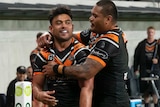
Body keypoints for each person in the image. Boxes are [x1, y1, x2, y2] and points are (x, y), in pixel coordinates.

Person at [40, 0, 130, 107]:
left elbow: (86, 72)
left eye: (95, 16)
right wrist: (51, 33)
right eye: (91, 14)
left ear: (108, 19)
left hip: (113, 102)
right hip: (100, 100)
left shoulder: (111, 40)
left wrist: (57, 69)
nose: (90, 18)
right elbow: (70, 35)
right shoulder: (96, 33)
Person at [30, 6, 94, 107]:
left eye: (67, 22)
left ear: (72, 27)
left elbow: (86, 88)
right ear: (51, 29)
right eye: (59, 23)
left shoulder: (81, 52)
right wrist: (38, 94)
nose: (64, 26)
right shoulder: (43, 55)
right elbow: (36, 85)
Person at [133, 26, 160, 107]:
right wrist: (135, 69)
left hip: (155, 70)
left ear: (154, 33)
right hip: (144, 70)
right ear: (147, 33)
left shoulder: (158, 45)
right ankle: (146, 105)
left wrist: (158, 61)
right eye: (149, 32)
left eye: (152, 32)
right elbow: (136, 57)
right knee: (146, 91)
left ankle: (156, 105)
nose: (150, 34)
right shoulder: (141, 44)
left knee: (155, 90)